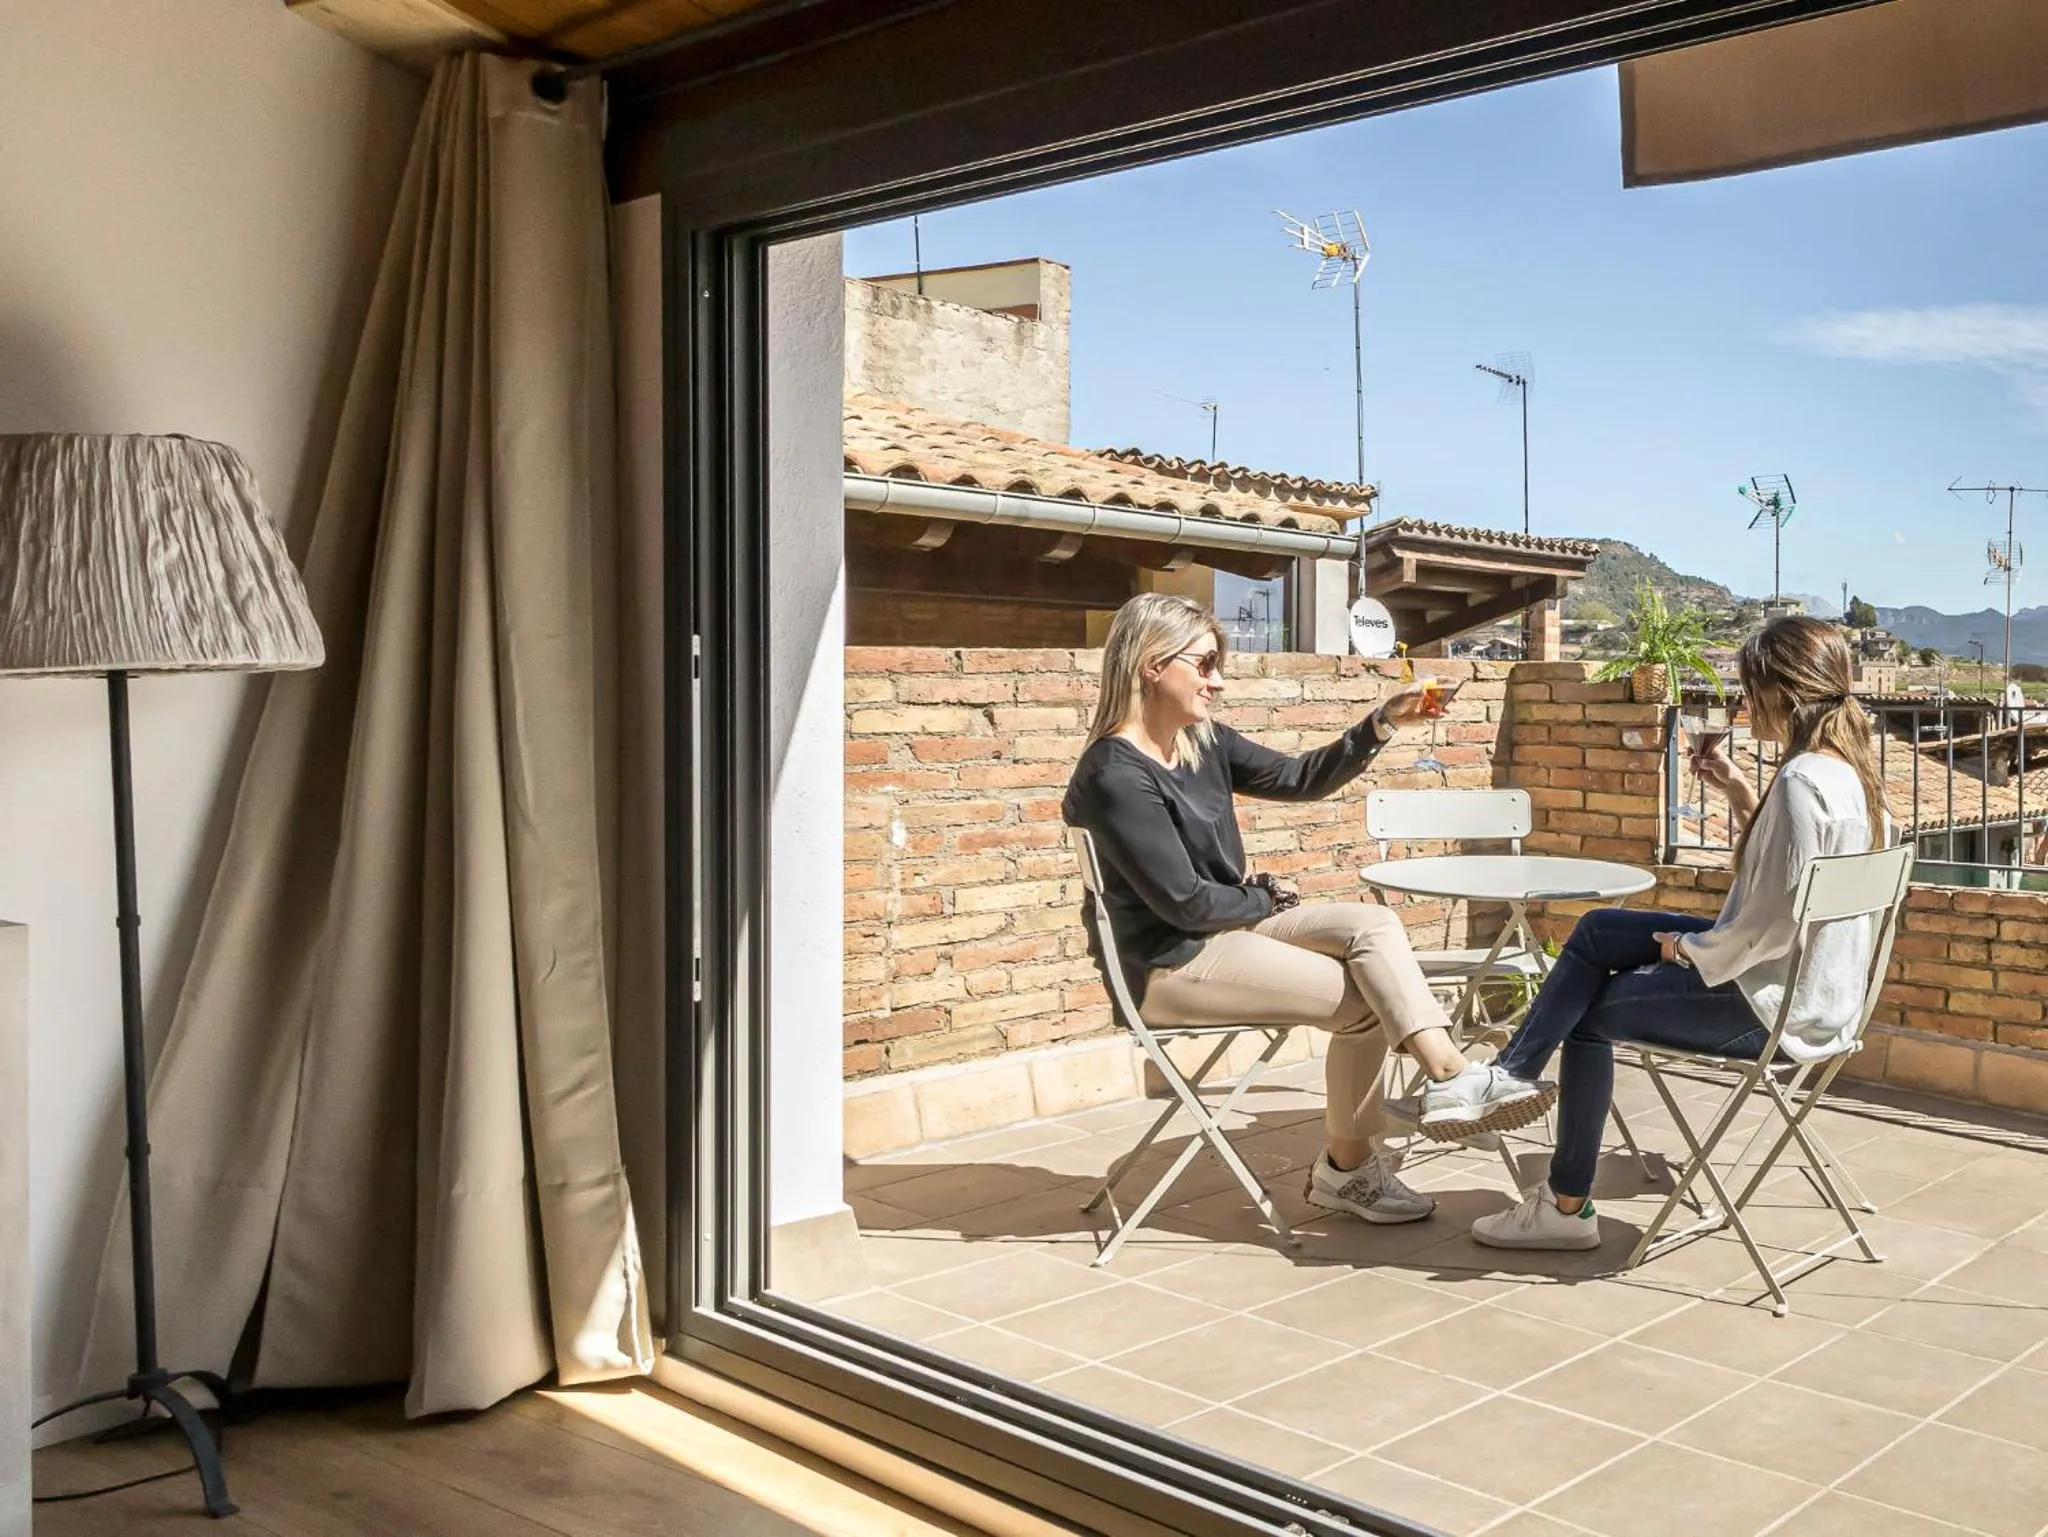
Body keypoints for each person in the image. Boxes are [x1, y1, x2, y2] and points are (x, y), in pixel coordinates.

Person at [1062, 593, 1558, 1227]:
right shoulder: (1115, 774)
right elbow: (1184, 904)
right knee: (1364, 1005)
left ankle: (1448, 1076)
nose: (1217, 680)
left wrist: (1381, 721)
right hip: (1170, 962)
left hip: (1228, 927)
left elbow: (1299, 778)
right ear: (1154, 664)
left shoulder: (1199, 742)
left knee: (1373, 924)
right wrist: (1263, 897)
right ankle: (1349, 1173)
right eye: (1206, 663)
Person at [1470, 615, 1891, 1250]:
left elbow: (1772, 922)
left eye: (1749, 688)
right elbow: (1791, 882)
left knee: (1582, 1015)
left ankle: (1564, 1204)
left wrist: (1685, 951)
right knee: (1599, 930)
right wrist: (1741, 791)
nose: (1744, 704)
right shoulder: (1856, 778)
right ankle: (1513, 1072)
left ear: (1783, 689)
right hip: (1824, 1001)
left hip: (1765, 1002)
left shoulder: (1803, 781)